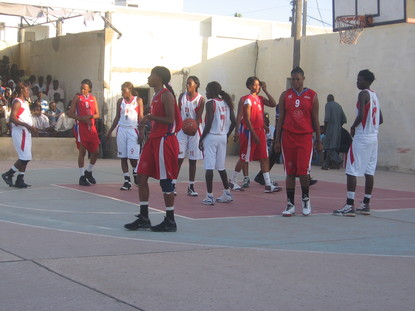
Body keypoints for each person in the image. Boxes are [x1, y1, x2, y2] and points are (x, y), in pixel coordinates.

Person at [124, 66, 182, 232]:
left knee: (165, 181)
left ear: (159, 77)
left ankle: (170, 221)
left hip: (165, 141)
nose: (148, 78)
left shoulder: (167, 95)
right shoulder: (156, 96)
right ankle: (144, 218)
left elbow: (170, 120)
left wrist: (149, 116)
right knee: (141, 176)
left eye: (151, 75)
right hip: (153, 140)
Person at [333, 69, 383, 217]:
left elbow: (361, 115)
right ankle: (366, 203)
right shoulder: (375, 96)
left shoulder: (363, 94)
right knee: (369, 171)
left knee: (351, 170)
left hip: (362, 137)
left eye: (360, 80)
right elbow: (380, 119)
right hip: (374, 137)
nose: (357, 82)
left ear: (367, 81)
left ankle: (349, 205)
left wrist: (354, 127)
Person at [275, 67, 322, 217]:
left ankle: (306, 200)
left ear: (303, 79)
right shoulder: (285, 95)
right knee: (289, 172)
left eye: (298, 79)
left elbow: (315, 119)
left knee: (303, 171)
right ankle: (290, 204)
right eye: (293, 79)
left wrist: (319, 140)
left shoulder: (312, 96)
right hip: (288, 137)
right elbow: (280, 119)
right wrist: (276, 140)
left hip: (305, 137)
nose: (295, 82)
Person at [229, 76, 281, 193]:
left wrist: (266, 90)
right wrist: (245, 132)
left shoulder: (261, 98)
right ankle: (232, 181)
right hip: (250, 132)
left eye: (258, 84)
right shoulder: (247, 99)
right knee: (244, 158)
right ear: (249, 86)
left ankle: (268, 184)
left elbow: (273, 104)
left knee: (264, 157)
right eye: (255, 85)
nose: (257, 87)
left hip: (260, 131)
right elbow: (247, 119)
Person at [199, 81, 236, 205]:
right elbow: (234, 121)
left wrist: (201, 138)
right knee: (221, 167)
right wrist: (226, 133)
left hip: (212, 136)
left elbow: (208, 123)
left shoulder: (211, 103)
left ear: (212, 91)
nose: (206, 92)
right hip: (222, 137)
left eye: (207, 90)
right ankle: (227, 193)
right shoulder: (227, 102)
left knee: (209, 167)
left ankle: (209, 196)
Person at [106, 81, 144, 190]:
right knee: (123, 156)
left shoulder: (138, 100)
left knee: (133, 157)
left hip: (133, 130)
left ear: (130, 90)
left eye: (124, 90)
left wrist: (141, 131)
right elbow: (117, 117)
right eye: (121, 90)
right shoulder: (120, 101)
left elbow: (141, 117)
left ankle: (135, 171)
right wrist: (109, 132)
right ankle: (127, 180)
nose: (122, 93)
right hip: (121, 129)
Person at [2, 82, 38, 188]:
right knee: (25, 156)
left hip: (26, 131)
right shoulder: (17, 102)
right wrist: (27, 126)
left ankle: (20, 179)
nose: (29, 91)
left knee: (27, 156)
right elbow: (12, 118)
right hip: (20, 131)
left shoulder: (25, 102)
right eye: (27, 90)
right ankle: (8, 174)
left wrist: (31, 128)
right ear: (22, 90)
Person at [173, 76, 205, 196]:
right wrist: (179, 127)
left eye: (189, 83)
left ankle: (191, 186)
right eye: (186, 83)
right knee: (179, 159)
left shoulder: (201, 99)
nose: (187, 85)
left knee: (193, 160)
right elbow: (178, 113)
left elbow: (198, 118)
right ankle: (173, 183)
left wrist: (192, 127)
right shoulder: (181, 97)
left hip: (194, 131)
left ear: (196, 85)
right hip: (182, 130)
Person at [68, 79, 100, 186]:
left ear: (89, 89)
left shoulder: (93, 98)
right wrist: (82, 118)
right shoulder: (77, 98)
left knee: (96, 151)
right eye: (81, 88)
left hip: (91, 127)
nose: (82, 90)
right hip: (81, 127)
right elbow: (70, 113)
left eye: (85, 89)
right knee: (82, 152)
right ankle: (82, 176)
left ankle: (89, 171)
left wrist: (90, 117)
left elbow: (97, 114)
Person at [322, 94, 347, 170]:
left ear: (328, 99)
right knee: (332, 147)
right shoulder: (339, 106)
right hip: (338, 130)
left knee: (328, 147)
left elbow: (327, 119)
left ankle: (338, 160)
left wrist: (325, 129)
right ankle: (325, 165)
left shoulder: (328, 105)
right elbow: (344, 119)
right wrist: (338, 125)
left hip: (330, 129)